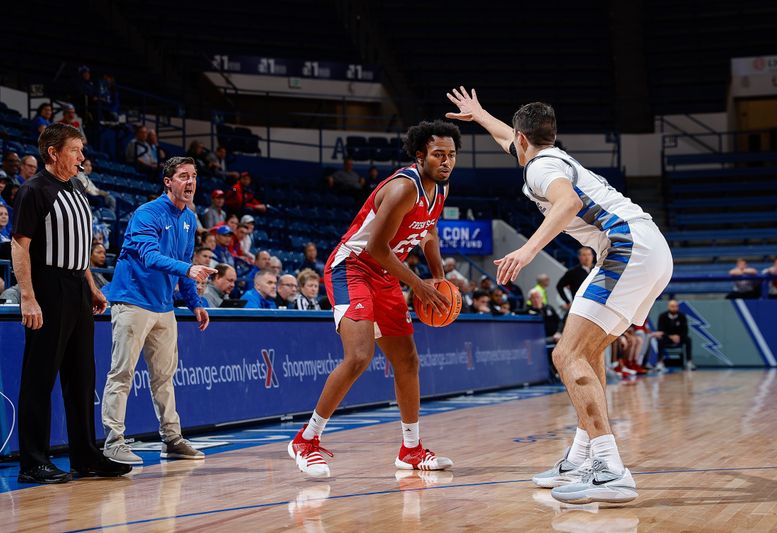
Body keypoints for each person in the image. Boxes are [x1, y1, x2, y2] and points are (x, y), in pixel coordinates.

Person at [447, 87, 672, 504]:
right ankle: (583, 457)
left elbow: (566, 203)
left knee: (565, 355)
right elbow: (508, 138)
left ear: (522, 139)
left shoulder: (540, 169)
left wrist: (529, 250)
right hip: (645, 246)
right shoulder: (550, 156)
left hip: (628, 248)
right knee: (585, 353)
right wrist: (479, 115)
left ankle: (610, 469)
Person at [288, 120, 458, 478]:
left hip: (385, 273)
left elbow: (427, 234)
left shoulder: (440, 190)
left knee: (408, 361)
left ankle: (411, 450)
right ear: (420, 155)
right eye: (438, 154)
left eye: (451, 155)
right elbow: (377, 248)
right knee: (360, 356)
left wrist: (439, 277)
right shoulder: (401, 189)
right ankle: (306, 440)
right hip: (352, 267)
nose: (446, 161)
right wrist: (420, 286)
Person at [11, 123, 130, 484]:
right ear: (54, 153)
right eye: (76, 150)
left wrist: (91, 285)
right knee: (40, 377)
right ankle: (33, 461)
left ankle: (85, 455)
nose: (82, 157)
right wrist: (28, 297)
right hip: (47, 286)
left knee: (82, 377)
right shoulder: (34, 190)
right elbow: (20, 245)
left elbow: (78, 246)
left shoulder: (76, 188)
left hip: (78, 285)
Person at [101, 156, 215, 466]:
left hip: (164, 307)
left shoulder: (189, 219)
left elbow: (184, 265)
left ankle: (172, 439)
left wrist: (195, 303)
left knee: (164, 377)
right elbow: (150, 256)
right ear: (168, 182)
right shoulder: (146, 214)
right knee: (122, 373)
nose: (190, 182)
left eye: (193, 176)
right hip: (132, 301)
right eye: (182, 176)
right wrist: (189, 270)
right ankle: (113, 441)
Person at [655, 299, 694, 371]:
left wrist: (678, 336)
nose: (674, 308)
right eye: (672, 306)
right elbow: (660, 330)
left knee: (688, 339)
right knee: (660, 340)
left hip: (679, 338)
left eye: (676, 306)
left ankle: (689, 362)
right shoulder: (662, 316)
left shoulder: (682, 316)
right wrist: (671, 336)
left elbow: (685, 330)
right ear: (668, 307)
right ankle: (660, 362)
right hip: (667, 338)